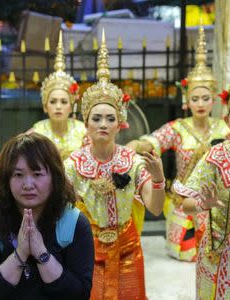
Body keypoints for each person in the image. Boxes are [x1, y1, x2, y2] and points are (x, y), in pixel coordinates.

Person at [64, 30, 166, 300]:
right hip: (87, 247)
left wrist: (158, 181)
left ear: (120, 124)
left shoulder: (131, 161)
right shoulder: (73, 164)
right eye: (96, 118)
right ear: (85, 123)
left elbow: (155, 208)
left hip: (128, 246)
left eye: (110, 118)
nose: (103, 125)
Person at [127, 26, 230, 262]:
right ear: (187, 100)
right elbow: (153, 141)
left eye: (205, 98)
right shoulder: (178, 128)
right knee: (185, 254)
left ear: (213, 99)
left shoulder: (225, 129)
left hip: (215, 201)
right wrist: (135, 144)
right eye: (195, 98)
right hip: (183, 203)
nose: (201, 103)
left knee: (217, 252)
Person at [0, 132, 94, 300]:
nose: (28, 185)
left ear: (55, 177)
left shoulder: (73, 222)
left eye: (37, 174)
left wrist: (41, 254)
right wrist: (20, 254)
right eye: (18, 175)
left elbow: (79, 295)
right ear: (6, 179)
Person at [173, 50, 230, 300]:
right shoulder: (215, 156)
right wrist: (204, 204)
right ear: (226, 119)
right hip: (219, 247)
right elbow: (186, 203)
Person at [28, 31, 87, 161]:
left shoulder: (83, 130)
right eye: (53, 102)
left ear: (71, 107)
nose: (58, 107)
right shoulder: (37, 132)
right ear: (45, 106)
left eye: (64, 102)